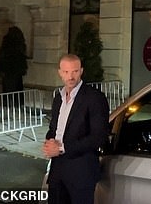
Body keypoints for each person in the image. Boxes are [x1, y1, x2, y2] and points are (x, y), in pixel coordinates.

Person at [43, 54, 109, 204]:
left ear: (81, 71)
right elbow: (54, 128)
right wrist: (49, 142)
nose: (70, 76)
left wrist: (62, 148)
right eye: (66, 72)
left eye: (75, 71)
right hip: (57, 171)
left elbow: (98, 137)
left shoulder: (94, 98)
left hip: (81, 172)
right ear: (60, 73)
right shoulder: (58, 98)